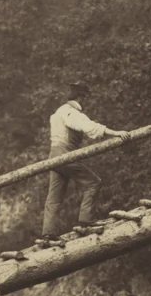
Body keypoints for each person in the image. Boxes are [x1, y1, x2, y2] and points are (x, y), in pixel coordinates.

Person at [39, 82, 129, 240]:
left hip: (53, 155)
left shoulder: (58, 112)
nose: (86, 102)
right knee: (93, 183)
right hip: (64, 154)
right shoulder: (70, 112)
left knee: (55, 195)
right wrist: (115, 133)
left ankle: (48, 232)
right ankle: (86, 221)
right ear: (80, 97)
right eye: (85, 98)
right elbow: (88, 126)